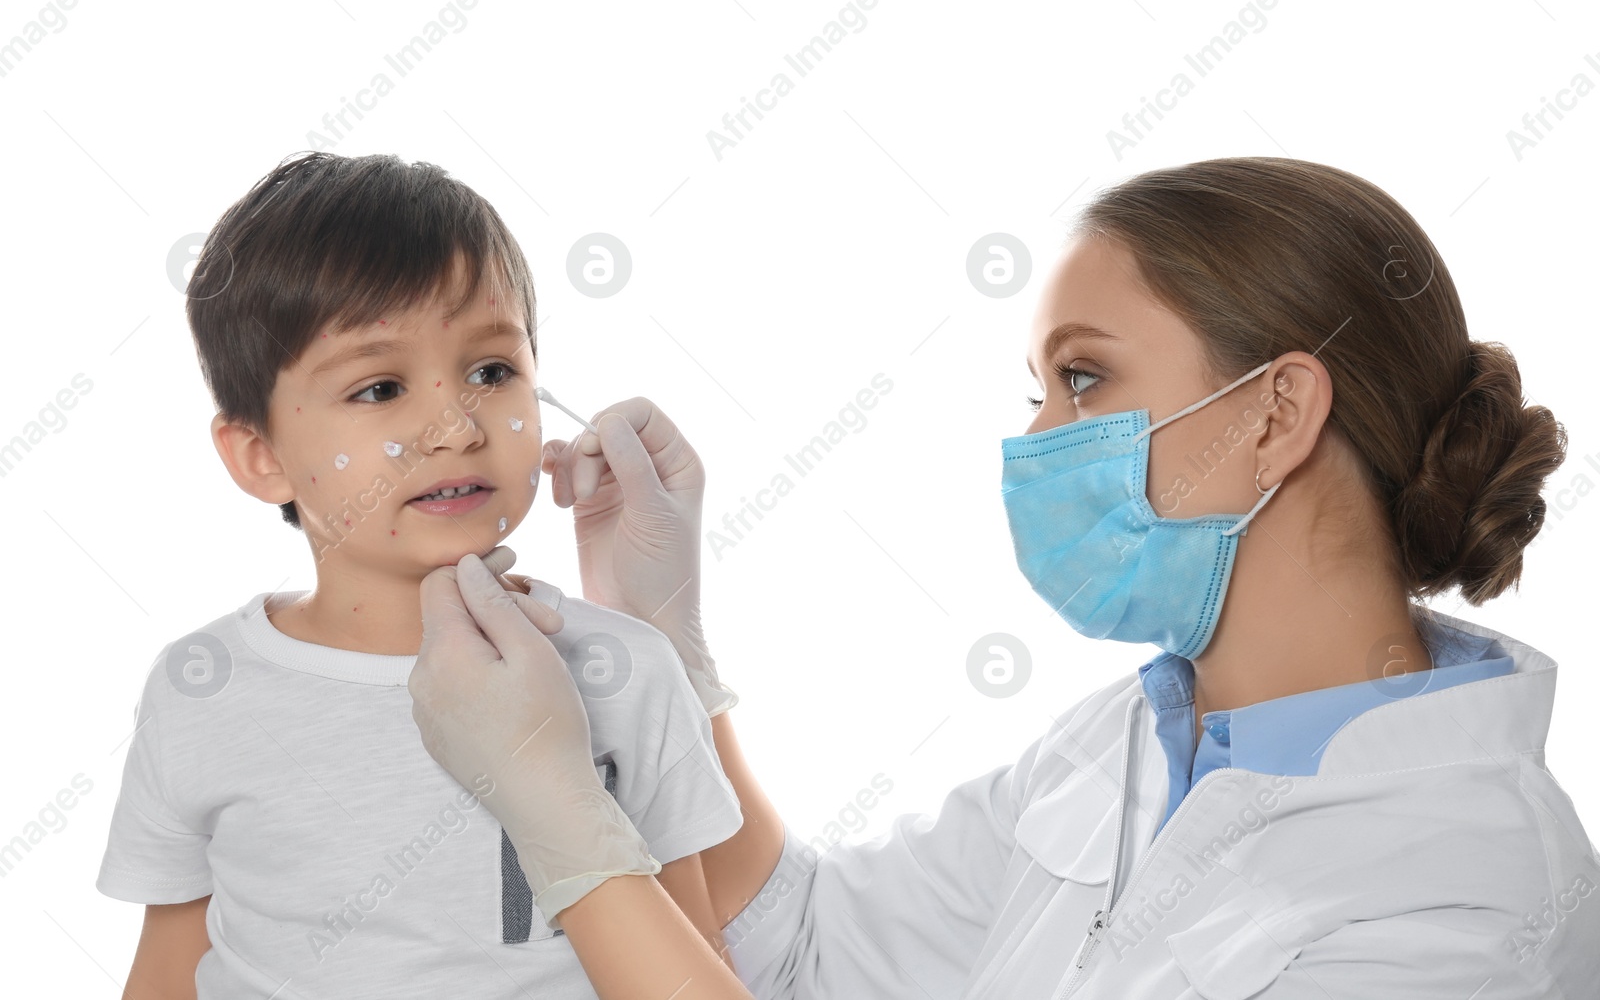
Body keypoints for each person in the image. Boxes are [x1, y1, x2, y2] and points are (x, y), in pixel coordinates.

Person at [409, 156, 1600, 998]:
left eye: (1081, 380)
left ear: (1276, 412)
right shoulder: (1122, 747)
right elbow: (811, 952)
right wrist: (659, 643)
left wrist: (561, 822)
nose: (1037, 440)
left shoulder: (1468, 896)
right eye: (1036, 389)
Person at [96, 151, 744, 998]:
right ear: (260, 455)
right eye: (379, 388)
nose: (454, 426)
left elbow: (698, 964)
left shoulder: (628, 673)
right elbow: (166, 974)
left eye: (491, 371)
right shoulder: (204, 691)